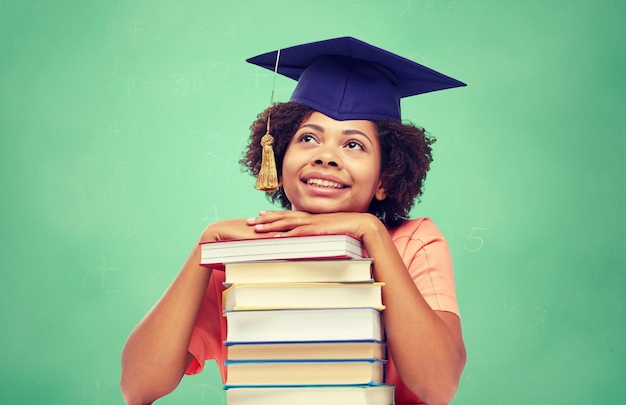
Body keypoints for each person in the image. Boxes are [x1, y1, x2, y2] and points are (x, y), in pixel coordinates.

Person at [120, 36, 467, 405]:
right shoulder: (239, 258)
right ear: (278, 160)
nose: (326, 157)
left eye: (353, 145)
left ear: (385, 178)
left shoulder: (413, 243)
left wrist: (371, 233)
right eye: (308, 138)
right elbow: (139, 386)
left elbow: (439, 386)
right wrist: (205, 248)